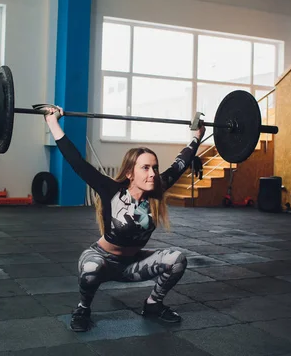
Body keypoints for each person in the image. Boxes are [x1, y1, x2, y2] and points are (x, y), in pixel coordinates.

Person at [41, 104, 206, 332]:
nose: (152, 173)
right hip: (102, 261)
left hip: (133, 265)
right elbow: (76, 162)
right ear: (130, 173)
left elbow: (180, 163)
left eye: (155, 168)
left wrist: (197, 136)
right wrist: (52, 122)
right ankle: (83, 308)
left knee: (177, 259)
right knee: (90, 268)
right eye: (145, 168)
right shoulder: (111, 190)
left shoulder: (157, 189)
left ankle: (152, 305)